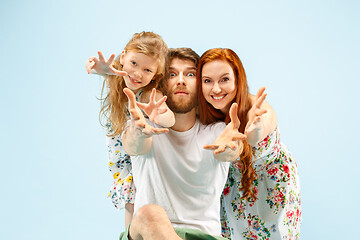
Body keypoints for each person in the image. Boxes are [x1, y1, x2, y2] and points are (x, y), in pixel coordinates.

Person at [121, 48, 247, 240]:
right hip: (148, 233)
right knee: (149, 215)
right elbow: (134, 146)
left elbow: (229, 151)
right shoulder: (144, 126)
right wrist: (137, 132)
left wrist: (231, 148)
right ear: (162, 83)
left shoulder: (218, 131)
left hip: (205, 237)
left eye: (190, 74)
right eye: (172, 74)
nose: (181, 80)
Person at [196, 48, 301, 239]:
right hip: (232, 192)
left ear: (238, 79)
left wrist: (254, 130)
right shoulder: (205, 113)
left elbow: (260, 129)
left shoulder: (258, 109)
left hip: (271, 189)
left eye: (224, 79)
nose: (216, 89)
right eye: (208, 81)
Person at [85, 31, 175, 226]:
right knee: (129, 201)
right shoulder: (117, 73)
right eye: (134, 63)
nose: (137, 74)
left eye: (147, 70)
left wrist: (159, 114)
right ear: (123, 57)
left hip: (140, 156)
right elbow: (97, 68)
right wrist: (95, 67)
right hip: (119, 157)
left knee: (139, 202)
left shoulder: (149, 94)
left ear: (155, 75)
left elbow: (170, 118)